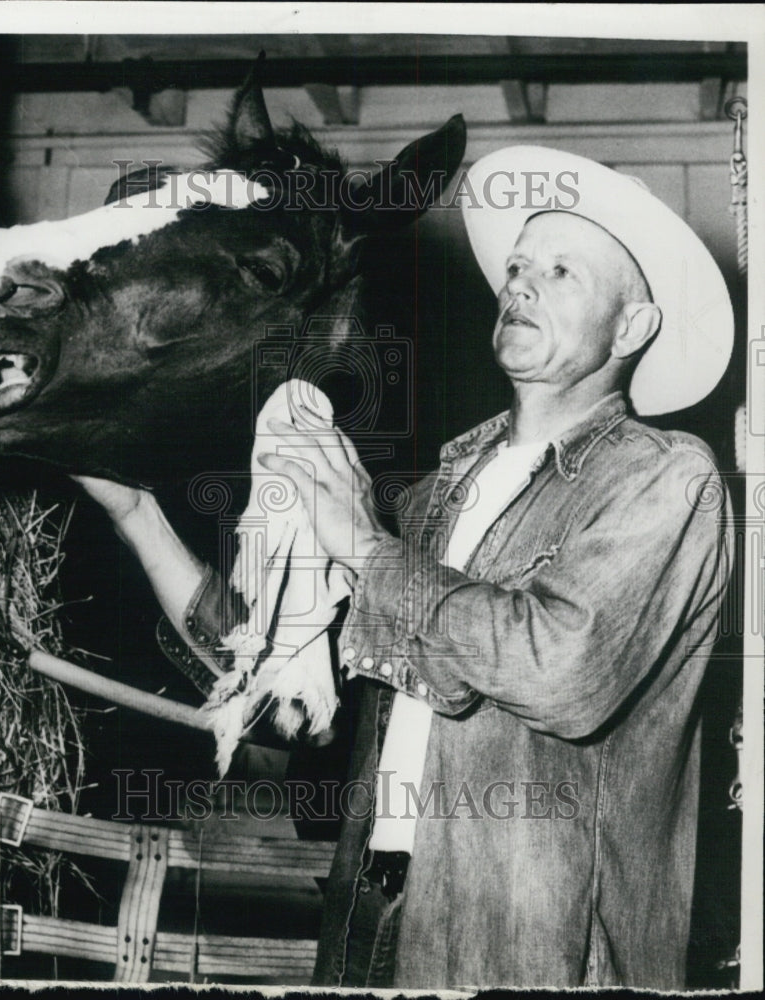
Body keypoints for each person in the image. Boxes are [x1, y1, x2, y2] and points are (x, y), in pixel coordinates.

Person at [76, 145, 734, 989]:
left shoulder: (662, 476)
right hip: (375, 914)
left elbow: (562, 668)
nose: (520, 284)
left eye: (561, 271)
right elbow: (272, 676)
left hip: (538, 945)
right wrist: (133, 512)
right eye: (519, 266)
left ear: (632, 327)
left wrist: (363, 547)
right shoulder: (432, 498)